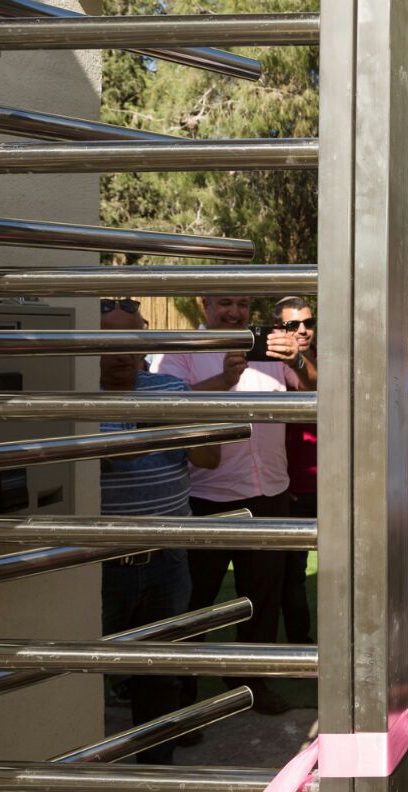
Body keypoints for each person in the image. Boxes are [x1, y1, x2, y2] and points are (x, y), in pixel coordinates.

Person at [154, 295, 304, 717]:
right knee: (196, 602)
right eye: (225, 304)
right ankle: (182, 698)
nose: (234, 312)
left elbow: (318, 390)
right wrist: (223, 379)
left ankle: (252, 683)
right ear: (205, 304)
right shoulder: (181, 351)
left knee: (262, 599)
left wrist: (298, 359)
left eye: (241, 304)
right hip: (207, 497)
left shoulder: (271, 349)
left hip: (270, 493)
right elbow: (165, 406)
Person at [98, 299, 221, 763]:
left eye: (133, 340)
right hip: (96, 562)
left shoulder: (170, 387)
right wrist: (143, 432)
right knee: (85, 672)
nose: (124, 353)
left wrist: (176, 423)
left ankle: (157, 774)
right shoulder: (70, 395)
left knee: (161, 671)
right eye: (109, 341)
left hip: (167, 558)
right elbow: (88, 466)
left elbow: (211, 458)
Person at [276, 296, 318, 645]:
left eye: (308, 323)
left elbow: (315, 382)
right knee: (292, 575)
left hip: (332, 487)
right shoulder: (266, 365)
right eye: (293, 324)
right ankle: (300, 648)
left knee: (346, 570)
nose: (302, 330)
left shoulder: (329, 358)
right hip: (290, 489)